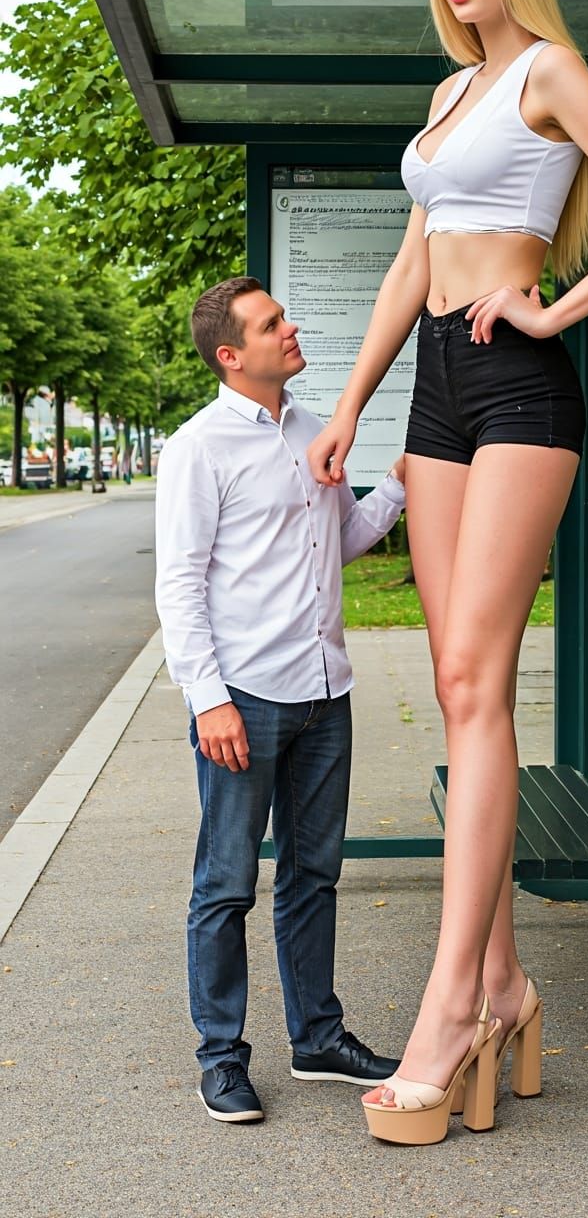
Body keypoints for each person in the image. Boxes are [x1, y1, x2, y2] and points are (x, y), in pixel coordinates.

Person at [307, 0, 588, 1147]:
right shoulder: (446, 96)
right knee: (465, 686)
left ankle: (450, 1008)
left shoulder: (551, 73)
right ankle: (507, 986)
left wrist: (553, 310)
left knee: (474, 684)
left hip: (519, 379)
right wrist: (350, 403)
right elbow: (415, 257)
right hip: (435, 385)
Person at [155, 275, 407, 1125]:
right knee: (226, 884)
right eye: (270, 324)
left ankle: (317, 1037)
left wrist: (399, 485)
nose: (289, 328)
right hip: (245, 700)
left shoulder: (313, 428)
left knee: (314, 876)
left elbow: (337, 542)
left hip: (324, 693)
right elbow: (181, 584)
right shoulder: (199, 448)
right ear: (232, 355)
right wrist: (208, 699)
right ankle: (221, 1058)